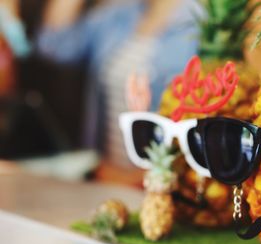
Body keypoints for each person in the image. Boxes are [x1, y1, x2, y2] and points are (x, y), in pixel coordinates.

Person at [36, 0, 200, 171]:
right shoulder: (119, 13)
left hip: (159, 183)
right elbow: (54, 45)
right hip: (106, 176)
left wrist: (145, 179)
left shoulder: (201, 23)